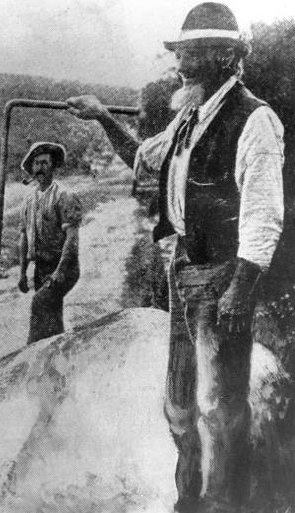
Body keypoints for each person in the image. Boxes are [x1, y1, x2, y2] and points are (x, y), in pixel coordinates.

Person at [66, 3, 284, 512]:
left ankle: (226, 503)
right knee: (180, 404)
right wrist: (101, 116)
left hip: (224, 274)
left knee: (221, 406)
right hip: (185, 269)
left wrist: (240, 290)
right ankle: (189, 499)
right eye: (179, 54)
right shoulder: (190, 115)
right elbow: (144, 160)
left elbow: (264, 215)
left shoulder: (255, 120)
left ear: (222, 58)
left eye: (188, 55)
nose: (179, 66)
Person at [17, 142, 82, 344]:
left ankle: (30, 355)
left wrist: (60, 271)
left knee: (40, 303)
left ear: (53, 166)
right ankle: (58, 360)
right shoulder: (29, 200)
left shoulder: (64, 196)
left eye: (45, 163)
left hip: (64, 267)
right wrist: (22, 273)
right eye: (36, 164)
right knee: (52, 316)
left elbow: (72, 238)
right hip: (41, 268)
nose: (40, 168)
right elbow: (24, 238)